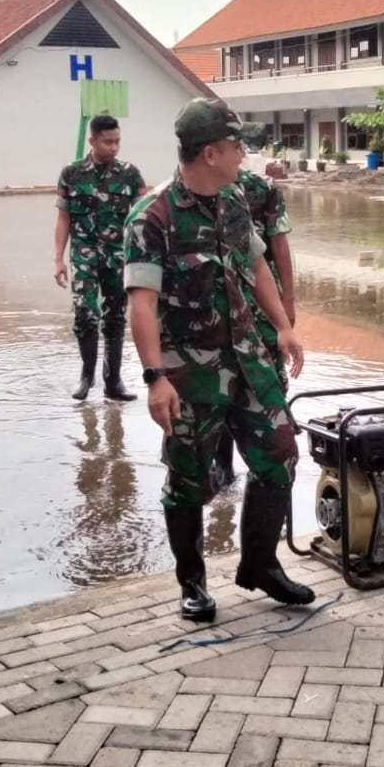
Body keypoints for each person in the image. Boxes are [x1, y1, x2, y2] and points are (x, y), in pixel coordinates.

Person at [125, 99, 313, 622]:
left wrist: (282, 326)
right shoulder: (154, 217)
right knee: (187, 478)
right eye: (236, 147)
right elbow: (139, 304)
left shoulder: (232, 199)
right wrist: (154, 377)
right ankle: (193, 584)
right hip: (189, 374)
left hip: (250, 362)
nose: (243, 155)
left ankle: (260, 565)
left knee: (280, 455)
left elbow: (257, 265)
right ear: (211, 152)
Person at [211, 159, 295, 489]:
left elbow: (279, 245)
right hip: (222, 309)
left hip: (261, 307)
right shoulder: (197, 189)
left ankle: (267, 466)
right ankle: (224, 466)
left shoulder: (262, 189)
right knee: (221, 383)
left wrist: (288, 300)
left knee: (271, 381)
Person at [54, 115, 145, 401]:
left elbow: (145, 216)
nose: (114, 147)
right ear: (92, 140)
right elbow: (63, 217)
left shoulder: (130, 174)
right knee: (85, 313)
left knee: (116, 317)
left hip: (119, 257)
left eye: (117, 141)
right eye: (108, 142)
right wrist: (58, 259)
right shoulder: (71, 174)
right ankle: (86, 376)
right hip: (84, 256)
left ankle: (113, 382)